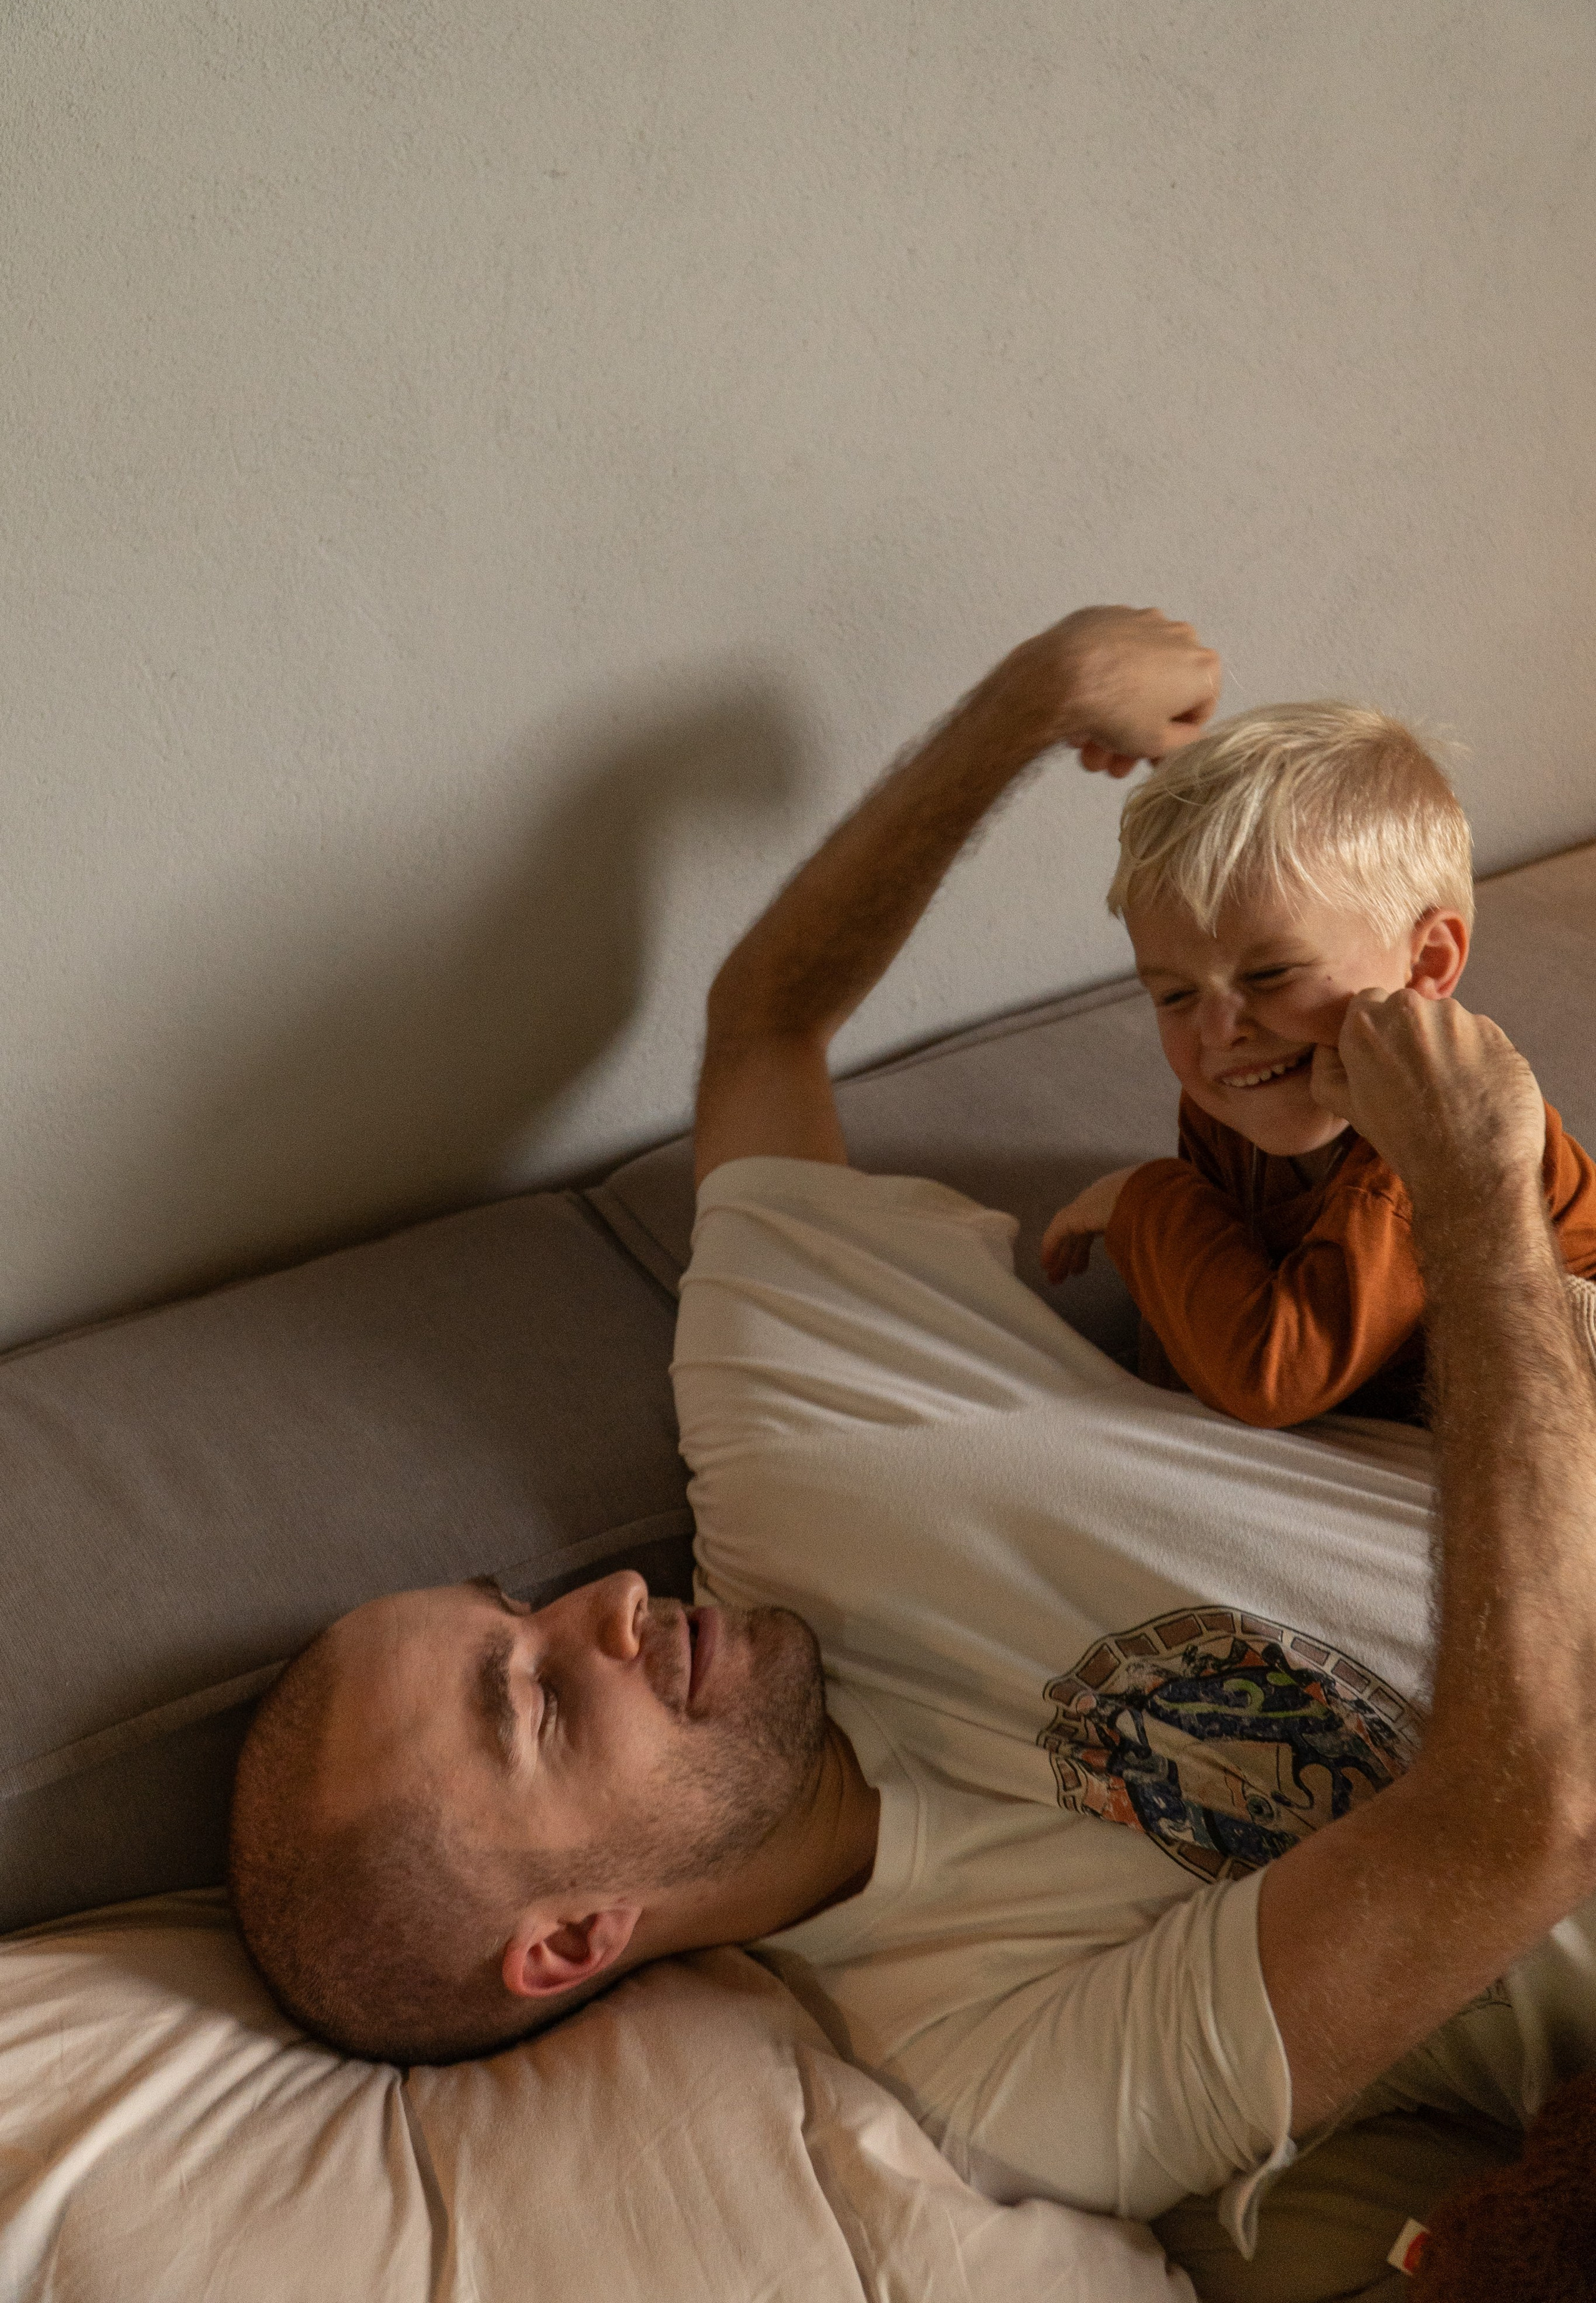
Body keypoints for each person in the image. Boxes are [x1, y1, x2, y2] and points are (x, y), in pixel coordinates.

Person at [229, 605, 1596, 2279]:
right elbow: (1534, 1819)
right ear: (574, 1938)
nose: (598, 1606)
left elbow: (764, 1027)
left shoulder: (800, 1449)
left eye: (514, 1608)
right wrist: (1472, 1205)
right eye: (534, 1701)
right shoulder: (988, 2052)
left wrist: (1028, 708)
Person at [1037, 701, 1596, 1425]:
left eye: (1270, 976)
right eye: (1174, 995)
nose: (1219, 1032)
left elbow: (1271, 1379)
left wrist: (1142, 1200)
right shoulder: (1229, 1102)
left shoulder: (1429, 1138)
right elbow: (1192, 1336)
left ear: (1426, 961)